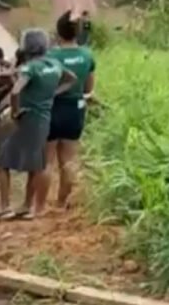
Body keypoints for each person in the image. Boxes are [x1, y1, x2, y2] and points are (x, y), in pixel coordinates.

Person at [0, 28, 77, 221]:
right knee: (35, 162)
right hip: (44, 118)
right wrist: (53, 93)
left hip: (28, 118)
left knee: (3, 161)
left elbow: (16, 91)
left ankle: (5, 207)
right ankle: (26, 205)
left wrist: (15, 112)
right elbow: (72, 79)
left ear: (26, 47)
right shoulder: (54, 64)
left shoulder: (30, 68)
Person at [44, 11, 96, 209]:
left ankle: (40, 204)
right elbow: (89, 90)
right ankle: (62, 203)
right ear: (78, 32)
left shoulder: (50, 56)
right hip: (75, 111)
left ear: (58, 32)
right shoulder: (87, 55)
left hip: (51, 110)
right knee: (68, 160)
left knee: (46, 162)